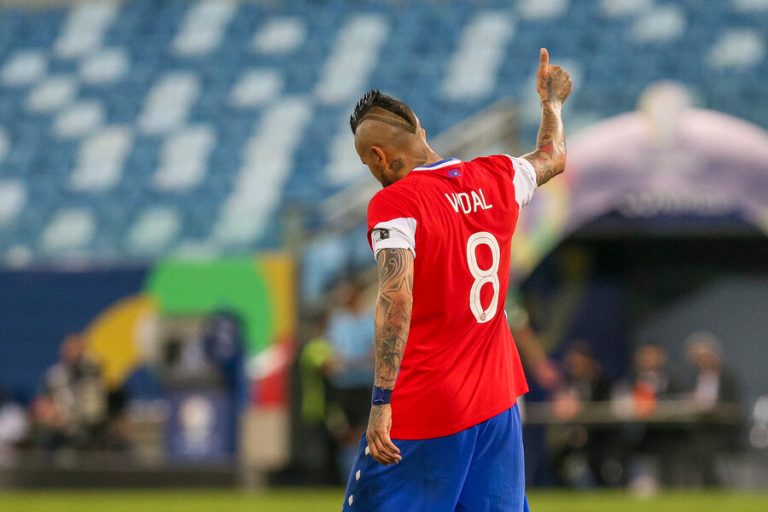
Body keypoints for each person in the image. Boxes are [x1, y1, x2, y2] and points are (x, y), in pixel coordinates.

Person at [342, 48, 572, 511]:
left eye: (368, 165)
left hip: (427, 406)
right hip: (497, 404)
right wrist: (551, 105)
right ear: (422, 133)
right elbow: (553, 156)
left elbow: (395, 296)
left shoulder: (395, 203)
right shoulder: (497, 175)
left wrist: (382, 399)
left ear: (379, 156)